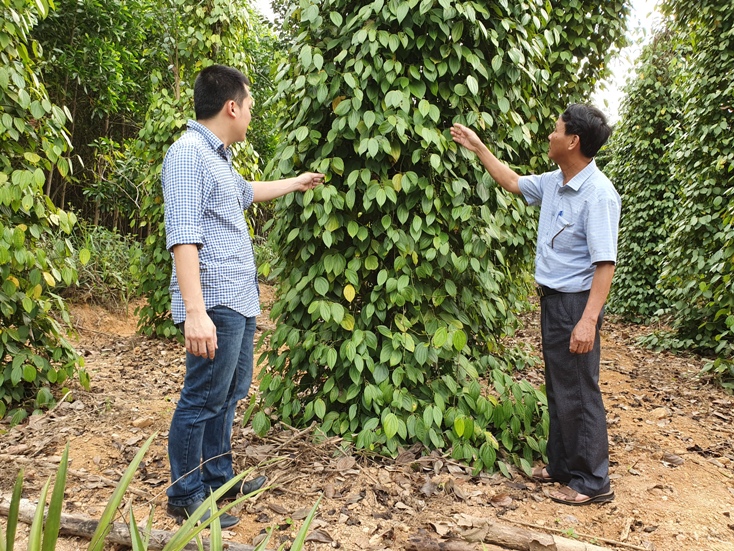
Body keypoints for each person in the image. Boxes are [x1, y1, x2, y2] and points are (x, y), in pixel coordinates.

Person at [162, 64, 324, 527]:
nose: (251, 115)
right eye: (250, 107)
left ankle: (217, 477)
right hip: (213, 300)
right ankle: (185, 493)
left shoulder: (218, 158)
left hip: (238, 299)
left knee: (229, 393)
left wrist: (296, 182)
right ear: (231, 107)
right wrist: (195, 312)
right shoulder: (189, 154)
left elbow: (247, 192)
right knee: (203, 397)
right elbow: (183, 235)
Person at [450, 104, 620, 506]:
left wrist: (588, 321)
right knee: (561, 386)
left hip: (576, 304)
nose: (550, 135)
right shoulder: (555, 181)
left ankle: (593, 482)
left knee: (580, 390)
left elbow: (605, 264)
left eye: (556, 129)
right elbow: (510, 181)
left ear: (573, 140)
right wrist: (478, 147)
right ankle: (563, 466)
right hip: (553, 302)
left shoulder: (598, 194)